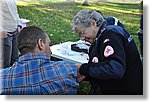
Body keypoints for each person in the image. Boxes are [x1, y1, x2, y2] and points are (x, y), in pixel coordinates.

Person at [72, 10, 143, 95]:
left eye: (82, 33)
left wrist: (83, 69)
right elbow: (101, 66)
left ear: (93, 23)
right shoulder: (99, 38)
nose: (82, 38)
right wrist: (86, 74)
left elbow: (114, 69)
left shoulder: (111, 35)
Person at [0, 26, 79, 95]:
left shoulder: (2, 78)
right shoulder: (66, 70)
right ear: (40, 44)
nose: (51, 51)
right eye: (48, 44)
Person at [0, 0, 20, 68]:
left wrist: (18, 24)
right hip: (5, 33)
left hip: (15, 30)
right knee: (5, 63)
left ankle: (14, 77)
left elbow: (14, 12)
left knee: (15, 60)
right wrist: (1, 31)